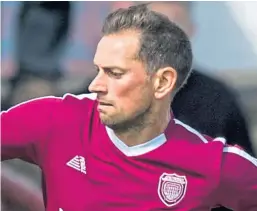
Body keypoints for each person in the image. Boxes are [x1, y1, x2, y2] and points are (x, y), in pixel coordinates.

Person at [1, 4, 257, 211]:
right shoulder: (56, 120)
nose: (94, 85)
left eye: (115, 73)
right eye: (98, 69)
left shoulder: (213, 163)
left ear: (162, 82)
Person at [133, 1, 255, 157]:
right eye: (155, 27)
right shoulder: (103, 91)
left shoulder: (217, 99)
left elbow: (245, 173)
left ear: (191, 30)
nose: (164, 39)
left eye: (175, 27)